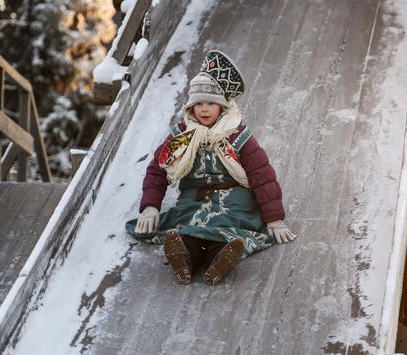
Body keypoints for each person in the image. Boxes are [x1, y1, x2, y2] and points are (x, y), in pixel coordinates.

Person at [126, 50, 296, 286]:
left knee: (226, 226)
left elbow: (262, 175)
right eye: (199, 104)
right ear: (191, 107)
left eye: (211, 104)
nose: (204, 109)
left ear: (222, 107)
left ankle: (221, 258)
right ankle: (184, 258)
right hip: (195, 199)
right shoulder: (182, 135)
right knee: (190, 228)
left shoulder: (237, 135)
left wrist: (274, 218)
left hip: (235, 200)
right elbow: (158, 168)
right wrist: (151, 207)